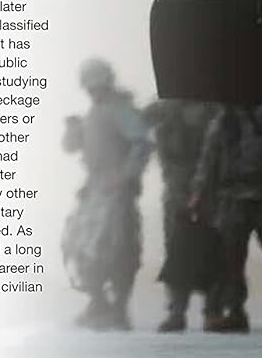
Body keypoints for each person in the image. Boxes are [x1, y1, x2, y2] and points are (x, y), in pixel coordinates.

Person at [61, 58, 152, 331]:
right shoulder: (96, 111)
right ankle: (98, 302)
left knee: (118, 248)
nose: (92, 90)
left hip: (116, 194)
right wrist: (73, 131)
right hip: (95, 190)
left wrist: (124, 176)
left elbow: (142, 144)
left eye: (95, 85)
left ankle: (118, 308)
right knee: (80, 246)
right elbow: (73, 148)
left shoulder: (120, 109)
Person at [189, 104, 262, 332]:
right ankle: (234, 310)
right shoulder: (225, 120)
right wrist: (199, 193)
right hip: (233, 197)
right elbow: (209, 160)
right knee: (229, 260)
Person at [141, 98, 219, 332]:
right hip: (177, 190)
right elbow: (138, 125)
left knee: (213, 250)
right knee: (176, 251)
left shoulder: (215, 108)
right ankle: (178, 310)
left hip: (211, 190)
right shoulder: (167, 109)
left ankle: (212, 310)